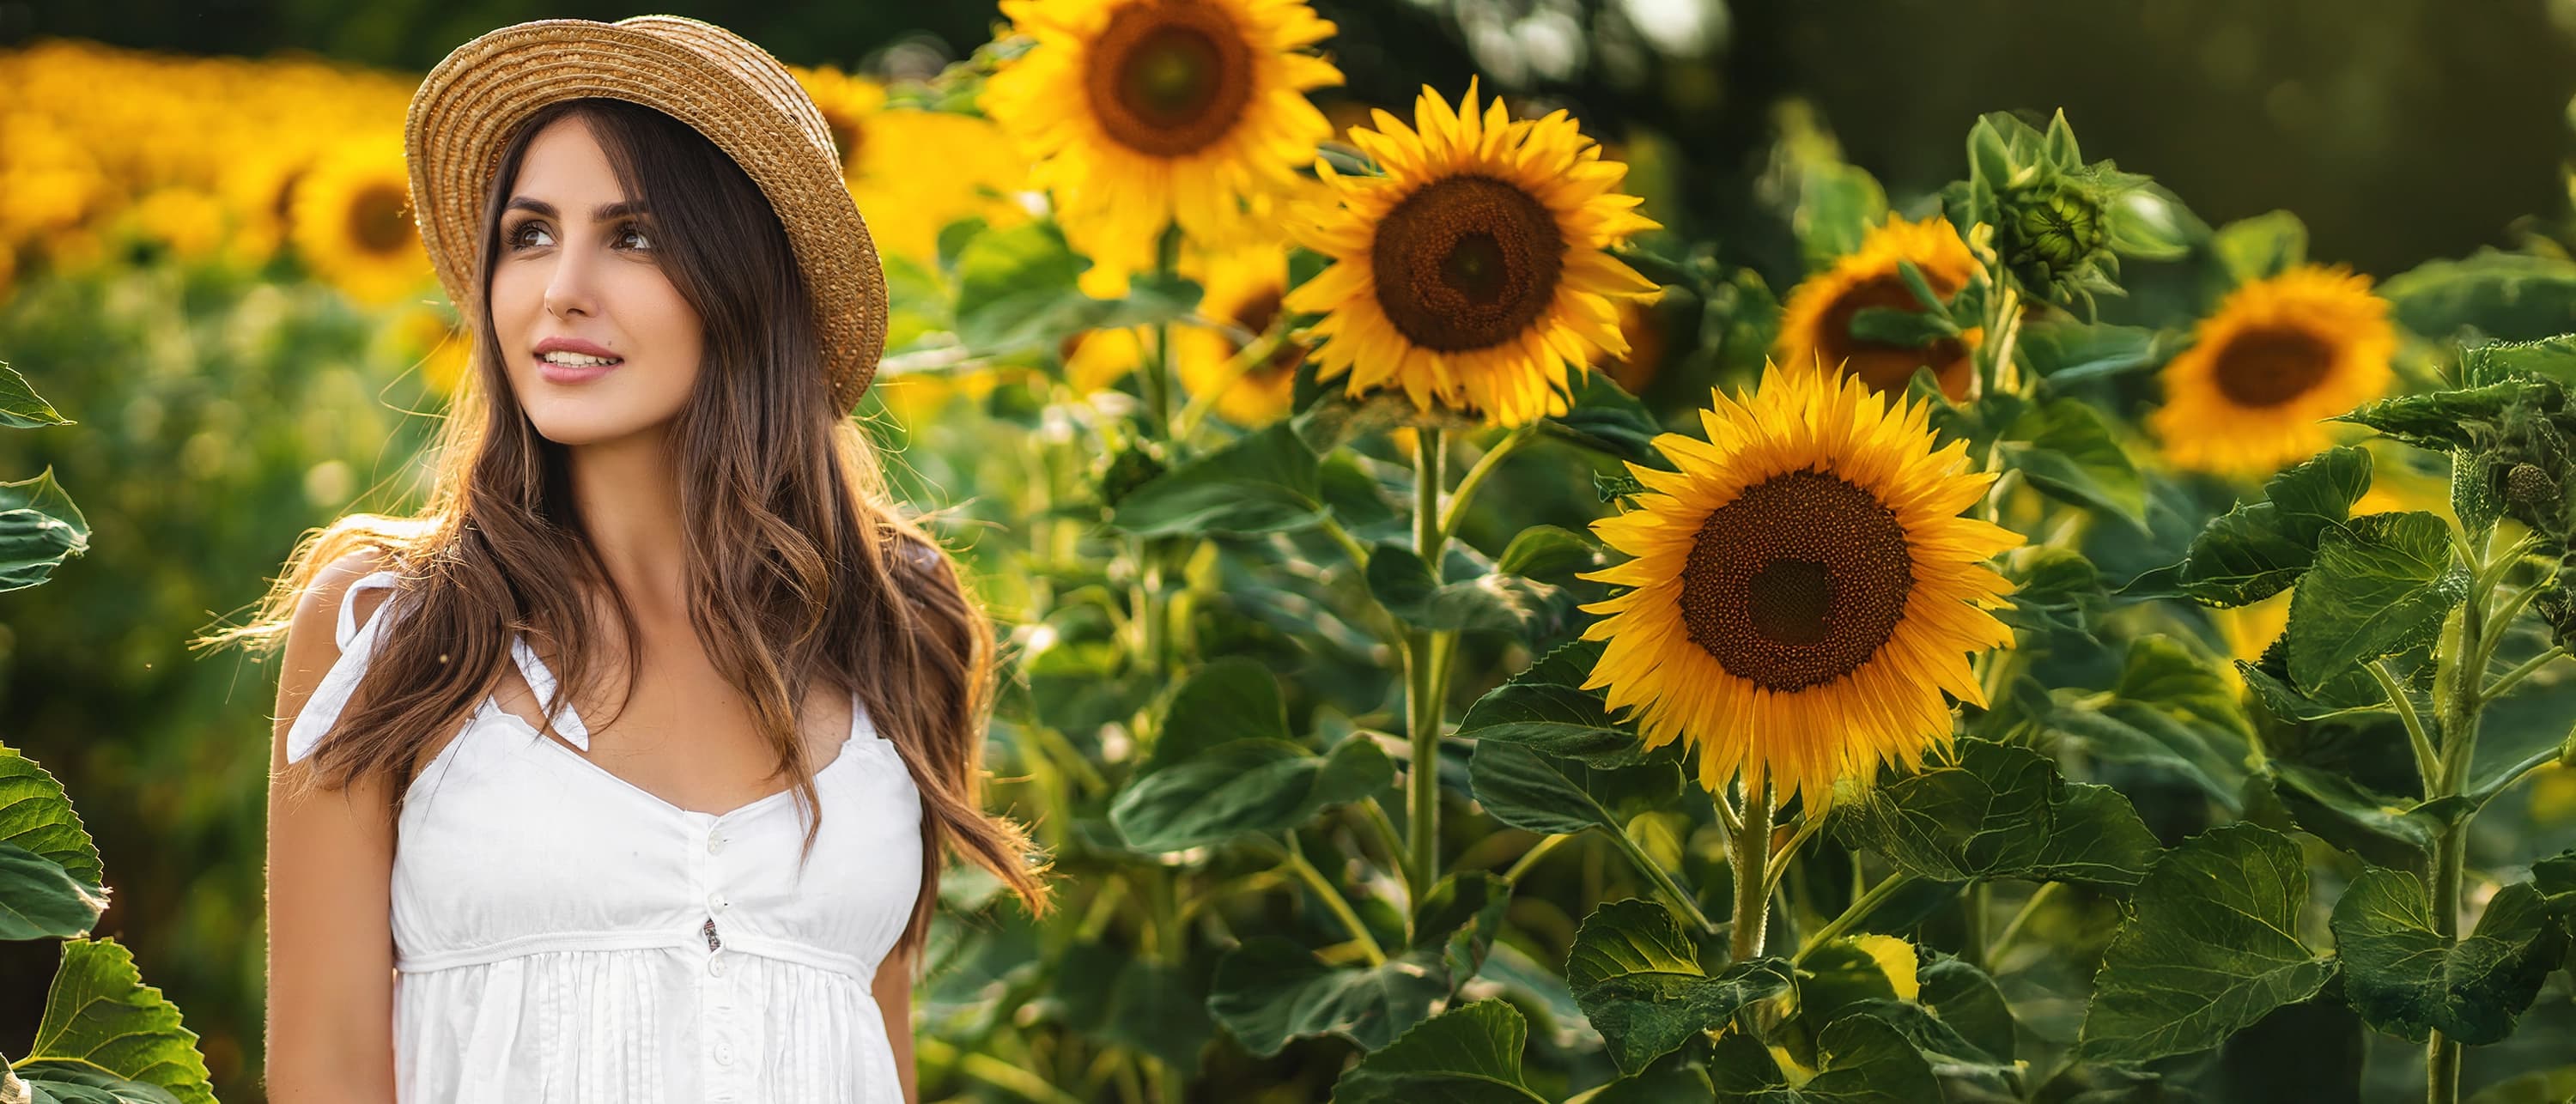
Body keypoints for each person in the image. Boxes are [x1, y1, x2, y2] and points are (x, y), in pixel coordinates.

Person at [227, 16, 1055, 1102]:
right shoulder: (391, 628)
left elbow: (873, 1046)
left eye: (634, 237)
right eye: (529, 234)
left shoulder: (893, 619)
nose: (560, 288)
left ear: (746, 282)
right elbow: (325, 1071)